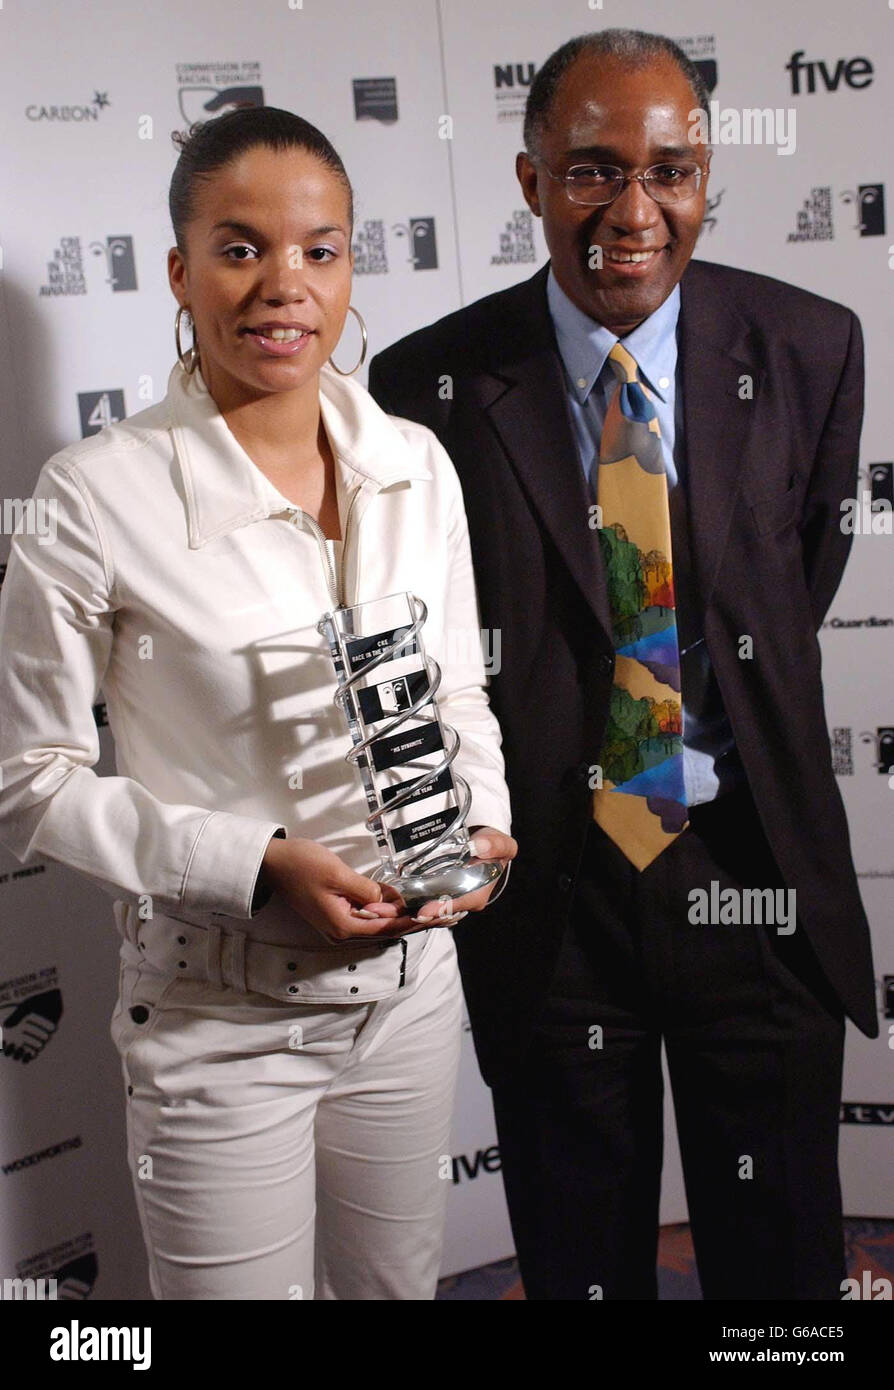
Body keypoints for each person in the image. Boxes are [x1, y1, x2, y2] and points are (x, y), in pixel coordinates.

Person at [368, 29, 878, 1300]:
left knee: (781, 1276)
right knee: (582, 1261)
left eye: (671, 171)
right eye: (593, 169)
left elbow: (796, 577)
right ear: (532, 178)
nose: (634, 210)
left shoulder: (811, 344)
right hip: (553, 902)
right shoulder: (427, 383)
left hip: (753, 883)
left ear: (707, 181)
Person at [0, 105, 516, 1301]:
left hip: (409, 999)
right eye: (240, 248)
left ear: (349, 267)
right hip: (216, 1022)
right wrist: (261, 858)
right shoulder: (93, 495)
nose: (284, 285)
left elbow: (457, 688)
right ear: (178, 270)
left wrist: (481, 819)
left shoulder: (415, 462)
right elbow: (31, 778)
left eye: (319, 250)